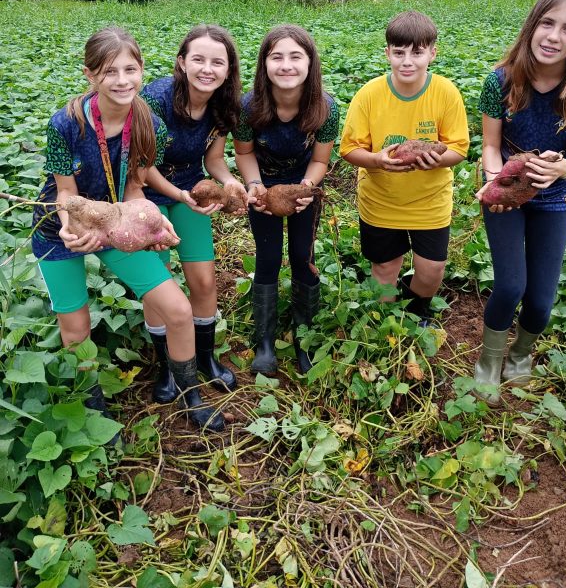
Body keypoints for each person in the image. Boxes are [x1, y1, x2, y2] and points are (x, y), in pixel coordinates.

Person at [32, 27, 225, 432]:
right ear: (90, 75)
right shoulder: (64, 125)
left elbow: (136, 185)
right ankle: (95, 413)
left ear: (141, 70)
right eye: (109, 72)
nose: (122, 81)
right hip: (61, 230)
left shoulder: (147, 121)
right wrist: (72, 229)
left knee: (178, 309)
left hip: (116, 223)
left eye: (130, 70)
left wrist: (153, 222)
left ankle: (191, 393)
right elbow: (64, 194)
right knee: (76, 329)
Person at [474, 0, 566, 406]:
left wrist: (562, 168)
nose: (553, 36)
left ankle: (521, 353)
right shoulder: (502, 81)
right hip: (507, 194)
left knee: (542, 301)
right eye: (546, 23)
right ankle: (489, 362)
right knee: (511, 285)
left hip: (554, 200)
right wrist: (497, 180)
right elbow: (491, 145)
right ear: (531, 26)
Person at [339, 10, 469, 323]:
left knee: (431, 270)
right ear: (387, 54)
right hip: (381, 200)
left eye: (417, 52)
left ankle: (415, 311)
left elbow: (459, 148)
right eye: (399, 53)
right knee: (385, 268)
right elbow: (348, 149)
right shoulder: (369, 95)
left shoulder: (446, 93)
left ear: (432, 53)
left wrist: (435, 159)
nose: (407, 61)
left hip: (429, 201)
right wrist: (376, 161)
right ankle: (388, 320)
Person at [141, 24, 246, 398]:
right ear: (182, 62)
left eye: (218, 62)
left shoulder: (224, 106)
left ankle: (204, 358)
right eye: (198, 59)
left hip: (190, 189)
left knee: (203, 280)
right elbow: (142, 165)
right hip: (146, 193)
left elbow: (214, 159)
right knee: (160, 282)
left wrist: (230, 181)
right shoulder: (154, 99)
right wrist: (178, 195)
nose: (208, 69)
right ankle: (166, 367)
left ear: (228, 68)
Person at [233, 24, 339, 375]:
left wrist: (307, 189)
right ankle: (264, 340)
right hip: (262, 185)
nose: (286, 65)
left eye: (296, 56)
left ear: (310, 63)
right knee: (267, 256)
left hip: (304, 185)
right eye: (276, 57)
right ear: (264, 64)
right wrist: (254, 185)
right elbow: (244, 153)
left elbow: (321, 160)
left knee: (301, 256)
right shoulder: (249, 107)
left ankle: (303, 337)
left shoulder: (325, 108)